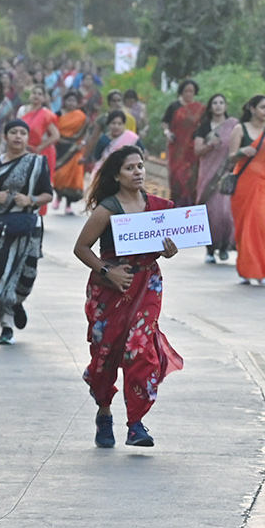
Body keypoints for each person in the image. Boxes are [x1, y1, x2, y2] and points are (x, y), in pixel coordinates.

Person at [72, 146, 182, 448]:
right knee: (105, 354)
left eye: (140, 166)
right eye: (130, 168)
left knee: (140, 348)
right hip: (111, 288)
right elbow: (81, 248)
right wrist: (109, 272)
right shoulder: (107, 209)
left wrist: (168, 250)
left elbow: (163, 244)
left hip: (147, 282)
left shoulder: (158, 207)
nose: (138, 172)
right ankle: (104, 414)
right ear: (116, 175)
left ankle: (136, 423)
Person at [0, 119, 53, 345]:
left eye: (22, 132)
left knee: (25, 274)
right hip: (1, 226)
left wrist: (30, 199)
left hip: (29, 228)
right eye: (13, 132)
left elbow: (48, 195)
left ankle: (16, 302)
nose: (18, 136)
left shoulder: (37, 163)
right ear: (5, 137)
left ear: (28, 138)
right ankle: (6, 323)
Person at [227, 94, 265, 286]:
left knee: (263, 227)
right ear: (252, 109)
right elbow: (230, 158)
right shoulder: (240, 129)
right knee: (245, 228)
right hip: (245, 185)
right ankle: (246, 269)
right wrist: (241, 152)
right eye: (262, 107)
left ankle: (263, 269)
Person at [192, 93, 238, 263]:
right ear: (210, 107)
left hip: (227, 173)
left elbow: (239, 146)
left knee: (226, 213)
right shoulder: (204, 128)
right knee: (210, 213)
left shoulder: (233, 126)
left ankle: (225, 245)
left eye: (221, 102)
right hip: (208, 176)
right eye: (215, 103)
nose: (218, 106)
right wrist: (210, 144)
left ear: (225, 106)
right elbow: (197, 151)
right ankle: (210, 249)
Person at [161, 80, 205, 207]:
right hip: (177, 148)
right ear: (181, 92)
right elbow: (165, 122)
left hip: (192, 148)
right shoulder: (174, 106)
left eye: (191, 91)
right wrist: (167, 132)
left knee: (192, 177)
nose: (189, 94)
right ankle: (177, 204)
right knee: (177, 176)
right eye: (186, 91)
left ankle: (190, 205)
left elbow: (203, 125)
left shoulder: (199, 109)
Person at [19, 84, 59, 213]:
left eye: (39, 94)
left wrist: (39, 147)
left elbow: (55, 135)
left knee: (39, 182)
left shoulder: (46, 114)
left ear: (44, 98)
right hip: (22, 150)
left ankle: (37, 212)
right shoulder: (22, 111)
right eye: (34, 93)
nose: (36, 96)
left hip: (42, 151)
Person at [52, 90, 90, 212]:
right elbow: (53, 130)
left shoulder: (80, 116)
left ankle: (68, 205)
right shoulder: (57, 115)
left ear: (77, 103)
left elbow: (85, 133)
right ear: (64, 101)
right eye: (69, 100)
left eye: (73, 101)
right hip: (59, 147)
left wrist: (82, 144)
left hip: (75, 149)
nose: (71, 103)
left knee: (72, 176)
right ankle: (58, 197)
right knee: (59, 175)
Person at [89, 110, 138, 182]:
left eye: (119, 124)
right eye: (113, 123)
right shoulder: (103, 140)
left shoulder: (130, 138)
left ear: (124, 125)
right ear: (108, 125)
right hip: (103, 175)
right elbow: (96, 158)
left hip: (124, 177)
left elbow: (142, 153)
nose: (116, 126)